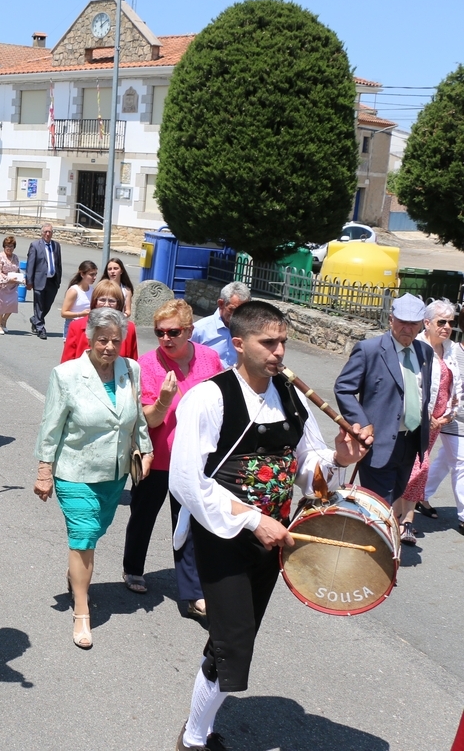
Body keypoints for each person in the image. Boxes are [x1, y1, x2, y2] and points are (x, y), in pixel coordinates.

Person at [169, 301, 369, 750]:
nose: (279, 352)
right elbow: (186, 481)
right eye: (268, 342)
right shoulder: (209, 397)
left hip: (272, 539)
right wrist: (253, 518)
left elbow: (308, 472)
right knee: (234, 645)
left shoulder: (292, 397)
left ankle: (196, 730)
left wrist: (340, 458)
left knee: (233, 639)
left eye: (283, 342)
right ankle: (193, 741)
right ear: (238, 344)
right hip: (220, 535)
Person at [34, 308, 152, 650]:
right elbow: (51, 426)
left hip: (113, 472)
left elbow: (137, 417)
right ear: (89, 338)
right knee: (83, 537)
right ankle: (82, 611)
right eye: (103, 340)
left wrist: (145, 449)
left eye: (116, 340)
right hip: (75, 471)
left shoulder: (131, 371)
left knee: (95, 533)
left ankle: (77, 577)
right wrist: (44, 471)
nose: (110, 347)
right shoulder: (67, 375)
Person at [122, 299, 221, 619]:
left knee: (188, 523)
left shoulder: (209, 359)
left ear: (189, 330)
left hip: (197, 458)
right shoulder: (148, 364)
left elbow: (222, 403)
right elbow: (149, 420)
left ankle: (192, 592)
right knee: (143, 515)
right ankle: (133, 567)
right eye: (160, 332)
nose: (166, 338)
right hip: (158, 455)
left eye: (173, 331)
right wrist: (164, 401)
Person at [335, 292, 432, 504]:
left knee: (395, 495)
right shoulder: (369, 350)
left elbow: (422, 391)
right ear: (391, 320)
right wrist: (362, 423)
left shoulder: (424, 351)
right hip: (379, 442)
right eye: (402, 322)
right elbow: (344, 387)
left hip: (411, 440)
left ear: (422, 324)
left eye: (413, 324)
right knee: (380, 504)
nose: (407, 328)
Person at [394, 298, 458, 545]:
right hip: (418, 420)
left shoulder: (450, 349)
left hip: (440, 420)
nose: (446, 326)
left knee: (416, 469)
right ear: (427, 323)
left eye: (450, 322)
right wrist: (426, 416)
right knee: (417, 468)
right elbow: (413, 385)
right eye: (441, 322)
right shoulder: (418, 347)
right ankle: (401, 518)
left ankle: (403, 519)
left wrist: (448, 414)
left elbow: (457, 387)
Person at [425, 305, 464, 535]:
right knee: (461, 462)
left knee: (445, 459)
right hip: (453, 418)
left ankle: (422, 494)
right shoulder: (455, 353)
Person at [60, 280, 138, 363]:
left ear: (118, 304)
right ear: (95, 302)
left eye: (112, 301)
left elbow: (132, 363)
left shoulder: (129, 327)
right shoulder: (76, 326)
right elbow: (66, 363)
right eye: (102, 300)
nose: (106, 304)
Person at [192, 282, 251, 369]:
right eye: (232, 309)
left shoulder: (250, 330)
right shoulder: (199, 329)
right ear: (221, 304)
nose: (237, 315)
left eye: (243, 311)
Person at [26, 224, 63, 339]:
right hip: (39, 281)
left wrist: (59, 280)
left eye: (50, 232)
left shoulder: (56, 246)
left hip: (52, 281)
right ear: (42, 233)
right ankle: (40, 328)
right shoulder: (35, 245)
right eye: (46, 232)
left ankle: (35, 319)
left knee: (47, 305)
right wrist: (29, 281)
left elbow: (58, 264)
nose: (48, 234)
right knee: (39, 305)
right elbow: (30, 264)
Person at [59, 259, 98, 338]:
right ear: (82, 274)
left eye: (95, 274)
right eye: (91, 275)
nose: (94, 277)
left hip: (87, 326)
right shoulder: (74, 291)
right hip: (73, 326)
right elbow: (63, 313)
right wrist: (80, 314)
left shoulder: (92, 290)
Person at [0, 235, 21, 334]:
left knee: (12, 304)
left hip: (13, 286)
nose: (9, 248)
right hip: (2, 285)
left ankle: (4, 321)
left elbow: (17, 270)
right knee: (1, 306)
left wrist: (21, 278)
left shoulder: (15, 257)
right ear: (4, 246)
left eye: (11, 246)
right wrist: (8, 279)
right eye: (7, 246)